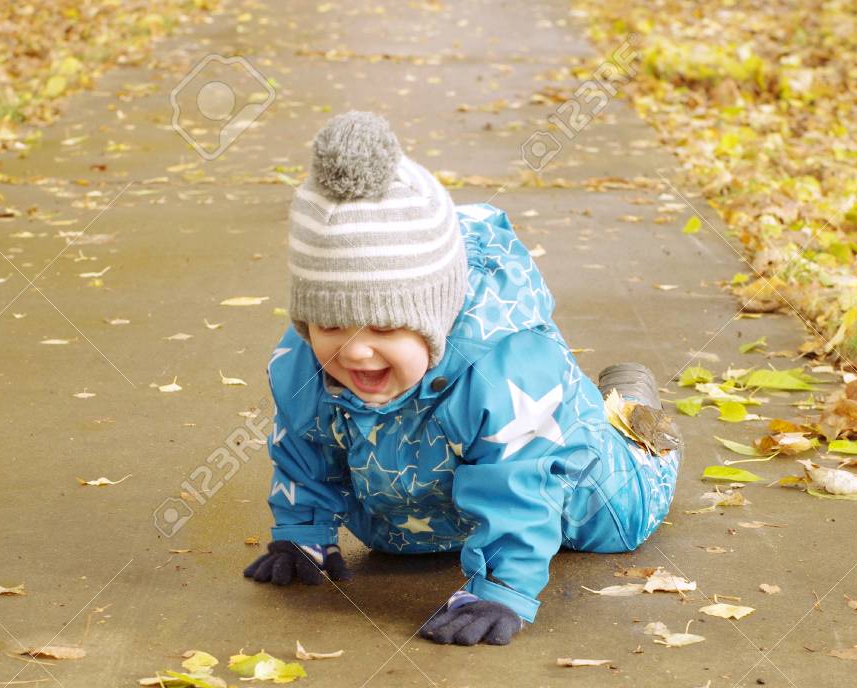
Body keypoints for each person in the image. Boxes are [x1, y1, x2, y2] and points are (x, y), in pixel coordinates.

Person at [243, 111, 682, 646]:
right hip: (421, 510)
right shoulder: (307, 359)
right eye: (331, 323)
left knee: (627, 495)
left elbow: (518, 484)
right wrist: (303, 533)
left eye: (384, 326)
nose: (356, 348)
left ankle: (631, 401)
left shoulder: (502, 375)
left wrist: (499, 590)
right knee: (395, 534)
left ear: (437, 318)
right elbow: (304, 448)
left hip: (583, 490)